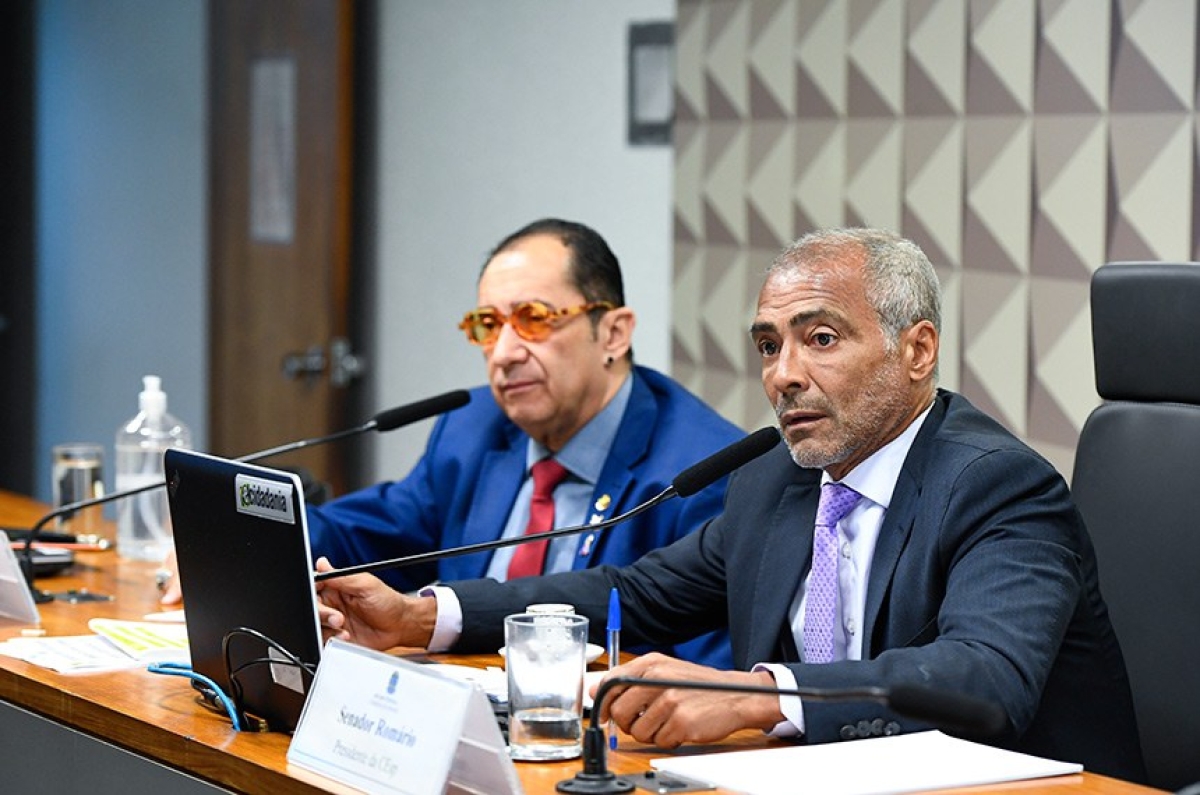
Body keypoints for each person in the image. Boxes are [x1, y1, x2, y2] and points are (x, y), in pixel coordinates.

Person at [314, 227, 1146, 782]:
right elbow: (631, 594)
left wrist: (757, 693)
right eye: (767, 345)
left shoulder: (1000, 485)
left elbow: (986, 678)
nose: (783, 373)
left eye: (820, 338)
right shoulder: (774, 483)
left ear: (916, 349)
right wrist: (425, 617)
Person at [163, 217, 741, 667]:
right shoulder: (475, 427)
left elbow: (693, 667)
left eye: (534, 319)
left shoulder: (702, 470)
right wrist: (232, 550)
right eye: (488, 326)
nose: (506, 352)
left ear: (613, 331)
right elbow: (370, 529)